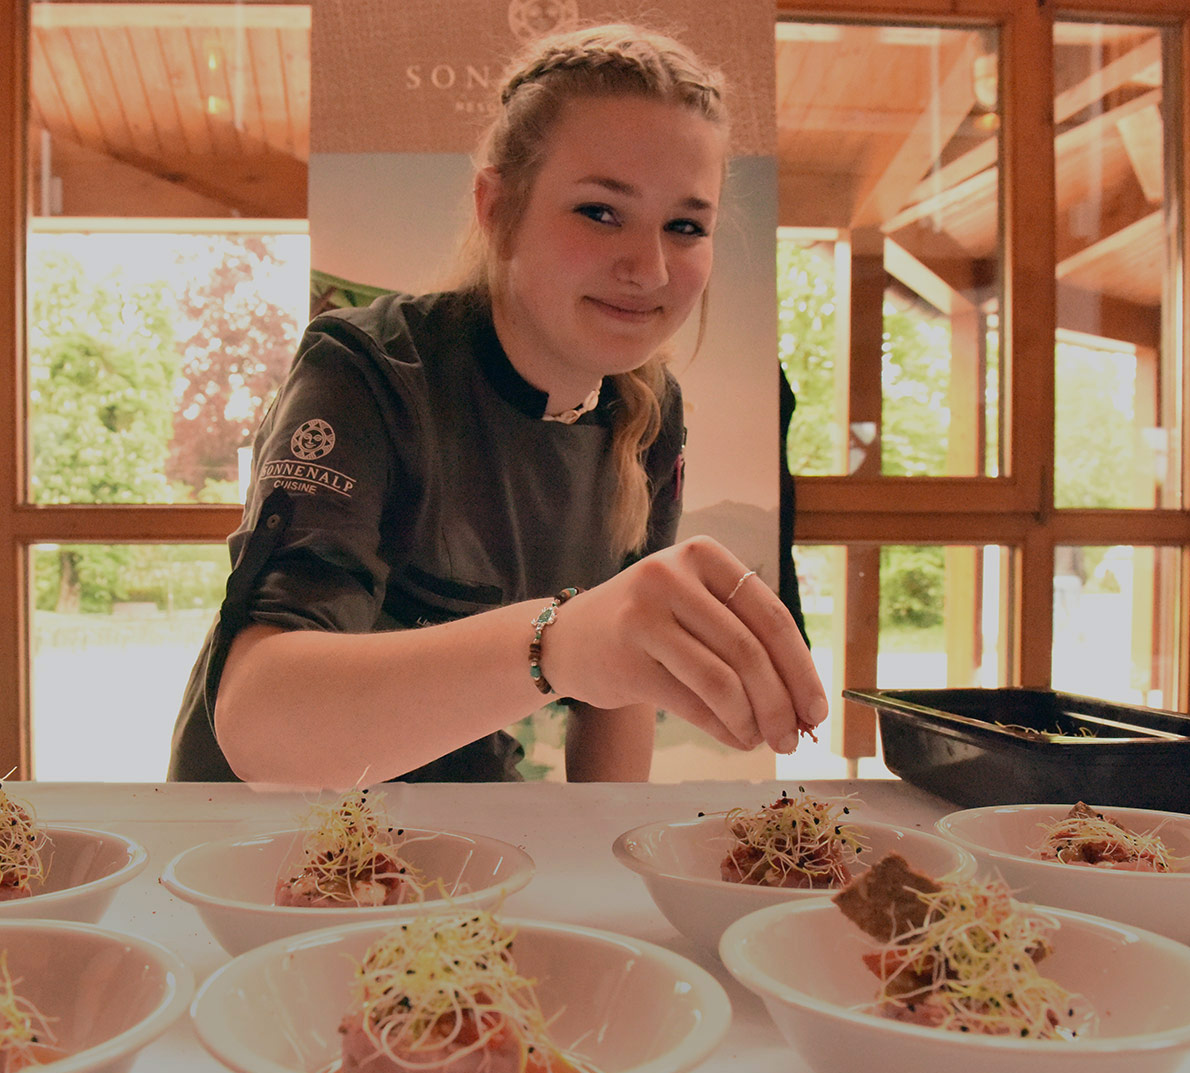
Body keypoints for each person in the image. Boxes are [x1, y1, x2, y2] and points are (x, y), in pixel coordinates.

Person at [169, 23, 827, 787]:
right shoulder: (368, 369)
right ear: (496, 207)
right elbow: (261, 724)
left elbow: (618, 697)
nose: (648, 269)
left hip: (473, 826)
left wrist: (604, 870)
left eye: (685, 226)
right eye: (599, 211)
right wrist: (560, 642)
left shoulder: (649, 412)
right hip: (266, 840)